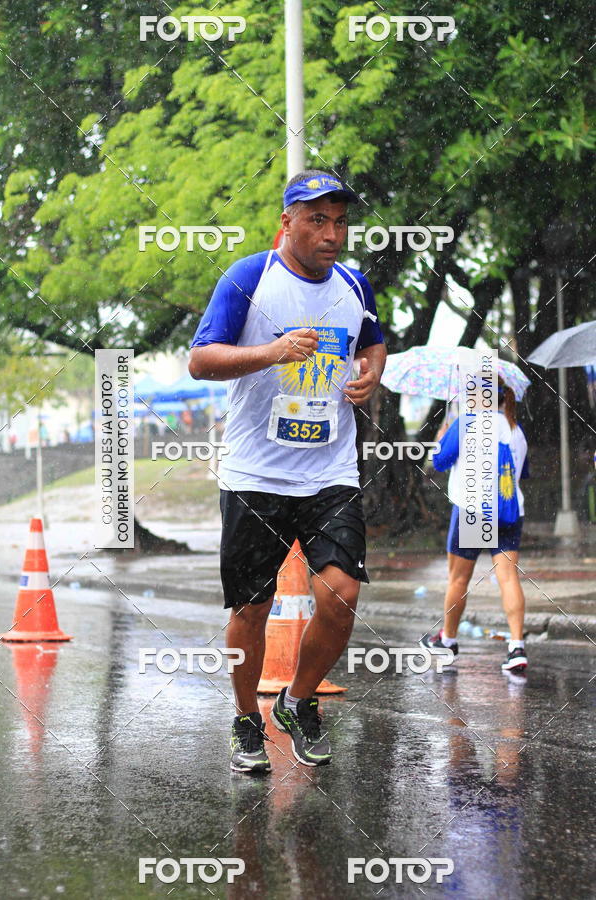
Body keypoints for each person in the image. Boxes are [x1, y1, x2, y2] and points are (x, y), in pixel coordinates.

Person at [188, 169, 386, 773]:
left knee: (341, 593)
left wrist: (371, 370)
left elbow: (372, 339)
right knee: (252, 609)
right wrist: (272, 352)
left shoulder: (355, 284)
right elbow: (200, 360)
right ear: (287, 222)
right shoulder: (248, 279)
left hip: (329, 471)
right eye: (318, 220)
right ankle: (247, 717)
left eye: (341, 222)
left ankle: (298, 701)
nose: (333, 234)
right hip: (254, 476)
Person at [420, 376, 530, 674]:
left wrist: (442, 438)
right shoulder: (515, 429)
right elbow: (522, 473)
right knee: (508, 578)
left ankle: (449, 640)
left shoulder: (466, 423)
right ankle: (516, 647)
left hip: (473, 512)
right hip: (509, 511)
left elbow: (439, 462)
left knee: (458, 580)